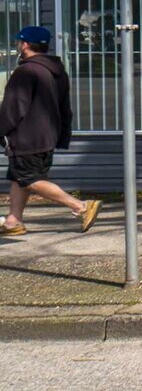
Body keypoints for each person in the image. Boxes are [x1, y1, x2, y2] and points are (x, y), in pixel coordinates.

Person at [0, 27, 98, 236]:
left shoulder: (26, 71)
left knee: (30, 179)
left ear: (25, 44)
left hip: (27, 138)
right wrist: (61, 135)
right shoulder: (56, 71)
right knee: (18, 177)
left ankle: (81, 206)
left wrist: (2, 130)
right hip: (47, 136)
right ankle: (13, 221)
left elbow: (13, 108)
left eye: (19, 42)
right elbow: (64, 107)